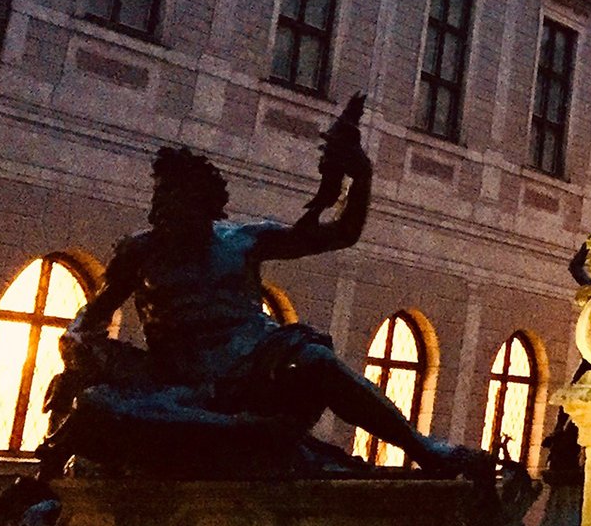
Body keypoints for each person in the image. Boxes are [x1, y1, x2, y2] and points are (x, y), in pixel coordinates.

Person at [39, 100, 485, 479]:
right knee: (102, 405)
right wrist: (80, 347)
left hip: (260, 366)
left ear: (207, 206)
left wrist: (361, 179)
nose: (162, 207)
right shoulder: (140, 252)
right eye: (161, 196)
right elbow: (91, 318)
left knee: (315, 360)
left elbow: (340, 234)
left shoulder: (243, 241)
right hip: (189, 382)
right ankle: (250, 435)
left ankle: (423, 449)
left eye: (175, 197)